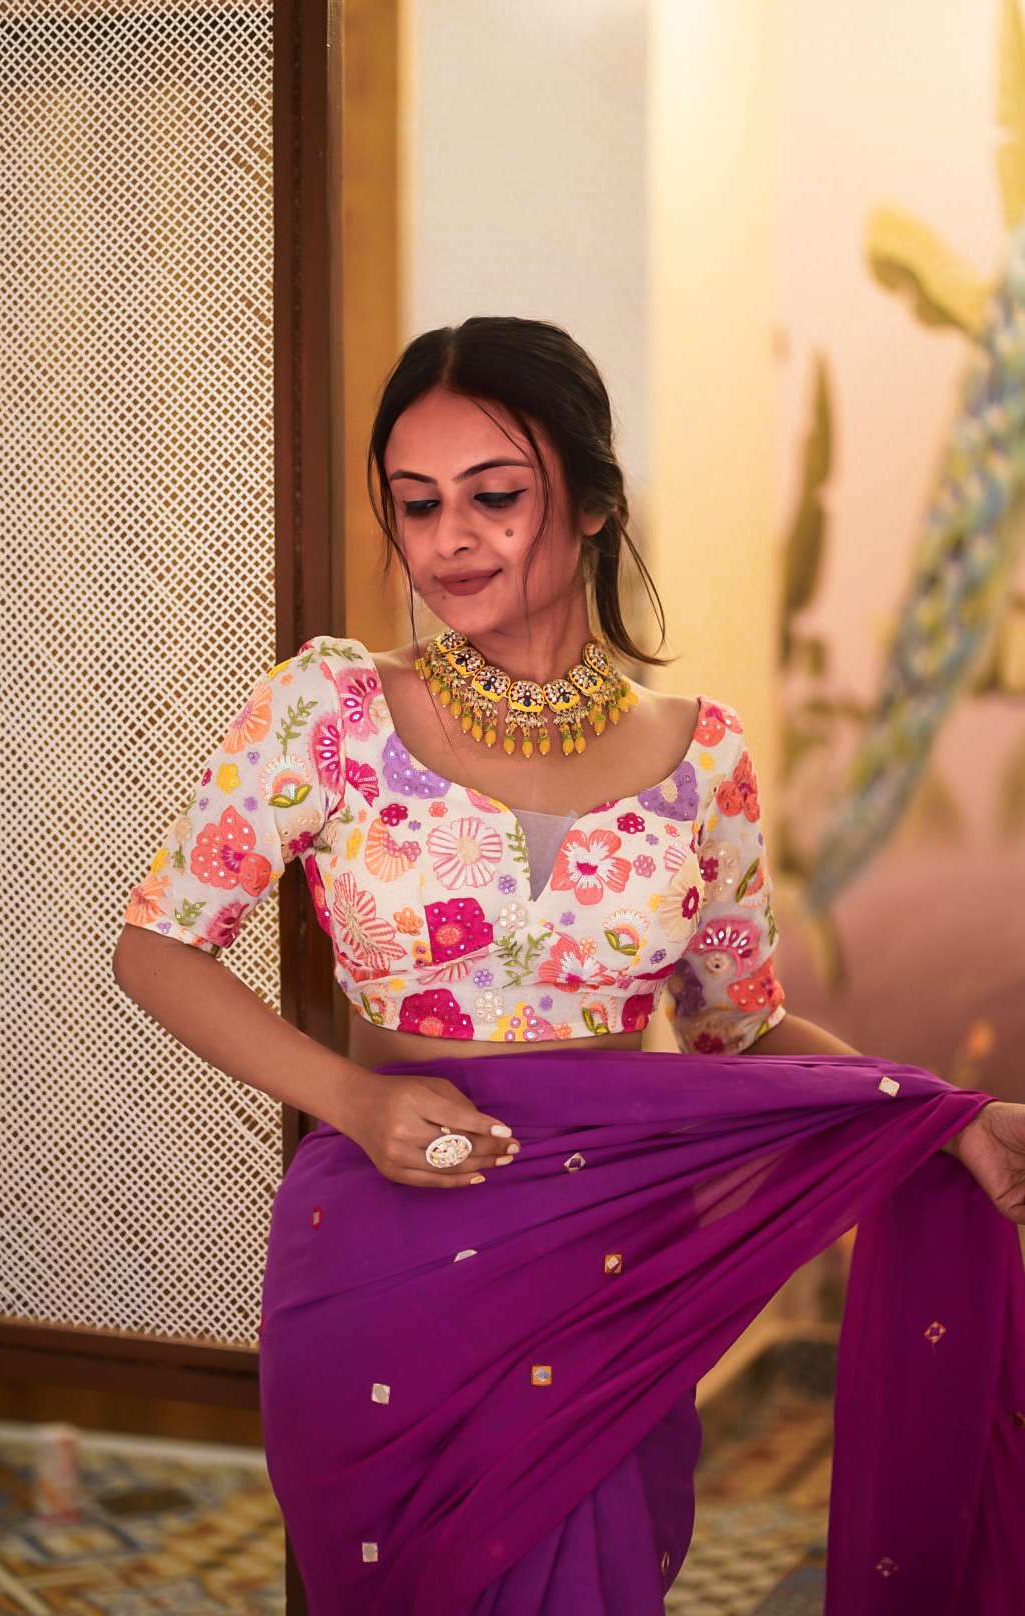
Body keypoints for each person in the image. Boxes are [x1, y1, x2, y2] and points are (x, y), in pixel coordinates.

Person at [115, 316, 1025, 1615]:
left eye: (495, 496)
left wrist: (944, 1117)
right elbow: (158, 947)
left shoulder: (701, 756)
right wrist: (355, 1100)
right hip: (387, 1249)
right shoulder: (329, 713)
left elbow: (740, 1030)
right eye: (417, 504)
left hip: (612, 1269)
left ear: (594, 503)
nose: (450, 538)